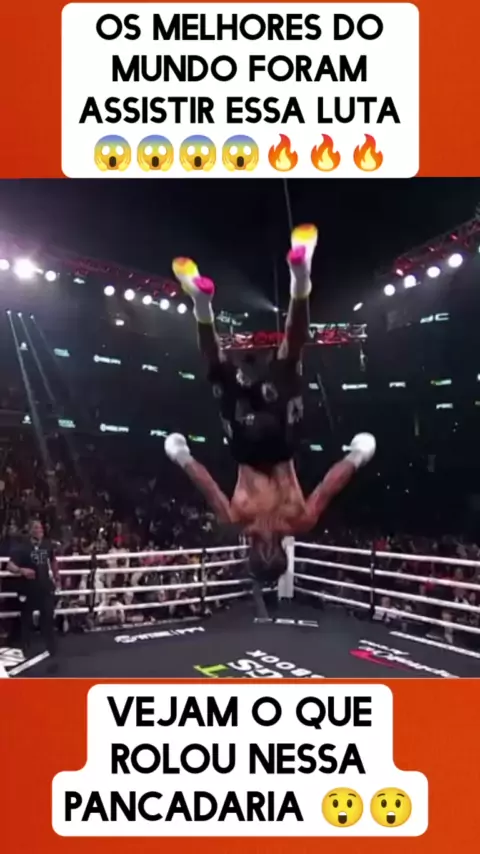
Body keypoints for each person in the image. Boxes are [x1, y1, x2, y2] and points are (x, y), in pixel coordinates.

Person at [165, 224, 376, 585]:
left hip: (282, 442)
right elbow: (204, 481)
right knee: (217, 365)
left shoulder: (299, 520)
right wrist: (179, 453)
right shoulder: (236, 520)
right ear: (254, 554)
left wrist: (358, 455)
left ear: (282, 555)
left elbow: (331, 483)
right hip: (245, 444)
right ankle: (201, 305)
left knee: (290, 355)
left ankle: (300, 282)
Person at [6, 519, 60, 656]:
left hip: (44, 586)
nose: (39, 530)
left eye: (40, 528)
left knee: (48, 616)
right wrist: (22, 570)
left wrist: (57, 576)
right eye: (36, 528)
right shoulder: (22, 547)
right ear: (30, 530)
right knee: (26, 619)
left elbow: (53, 560)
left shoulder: (47, 544)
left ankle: (51, 647)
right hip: (28, 588)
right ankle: (26, 646)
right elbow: (10, 566)